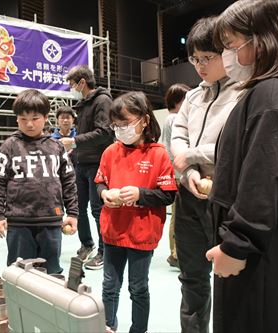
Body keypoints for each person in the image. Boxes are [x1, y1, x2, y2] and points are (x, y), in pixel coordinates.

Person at [205, 1, 278, 332]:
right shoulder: (276, 91)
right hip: (264, 246)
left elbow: (266, 176)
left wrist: (238, 244)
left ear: (262, 40)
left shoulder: (274, 95)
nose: (229, 56)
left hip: (261, 252)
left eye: (233, 45)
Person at [170, 17, 243, 333]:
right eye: (194, 58)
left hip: (226, 198)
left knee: (230, 277)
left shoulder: (245, 93)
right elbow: (177, 139)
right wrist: (189, 176)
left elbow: (236, 146)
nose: (200, 66)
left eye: (207, 58)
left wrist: (192, 157)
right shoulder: (191, 97)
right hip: (189, 194)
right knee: (192, 278)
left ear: (227, 52)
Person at [96, 91, 177, 333]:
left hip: (142, 234)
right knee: (110, 285)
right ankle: (107, 326)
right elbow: (101, 182)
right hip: (113, 230)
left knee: (138, 287)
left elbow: (168, 194)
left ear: (144, 120)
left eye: (126, 123)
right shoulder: (111, 152)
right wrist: (104, 194)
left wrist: (141, 195)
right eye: (116, 125)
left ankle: (138, 329)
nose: (121, 129)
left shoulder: (158, 153)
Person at [0, 89, 78, 274]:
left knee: (52, 274)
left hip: (52, 221)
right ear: (16, 119)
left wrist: (73, 212)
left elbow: (68, 180)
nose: (29, 124)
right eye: (23, 119)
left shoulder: (56, 147)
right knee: (19, 275)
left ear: (46, 118)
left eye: (35, 118)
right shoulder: (9, 146)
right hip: (18, 222)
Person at [60, 65, 113, 270]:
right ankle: (86, 244)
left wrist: (74, 142)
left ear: (82, 82)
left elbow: (105, 132)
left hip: (98, 163)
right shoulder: (83, 104)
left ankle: (104, 251)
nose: (71, 88)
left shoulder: (102, 100)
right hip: (80, 164)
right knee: (77, 208)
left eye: (72, 84)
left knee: (98, 210)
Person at [161, 83, 191, 268]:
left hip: (175, 172)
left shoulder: (169, 119)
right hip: (178, 173)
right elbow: (173, 150)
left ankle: (176, 253)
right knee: (179, 215)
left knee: (177, 214)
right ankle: (176, 254)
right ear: (178, 101)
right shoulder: (175, 119)